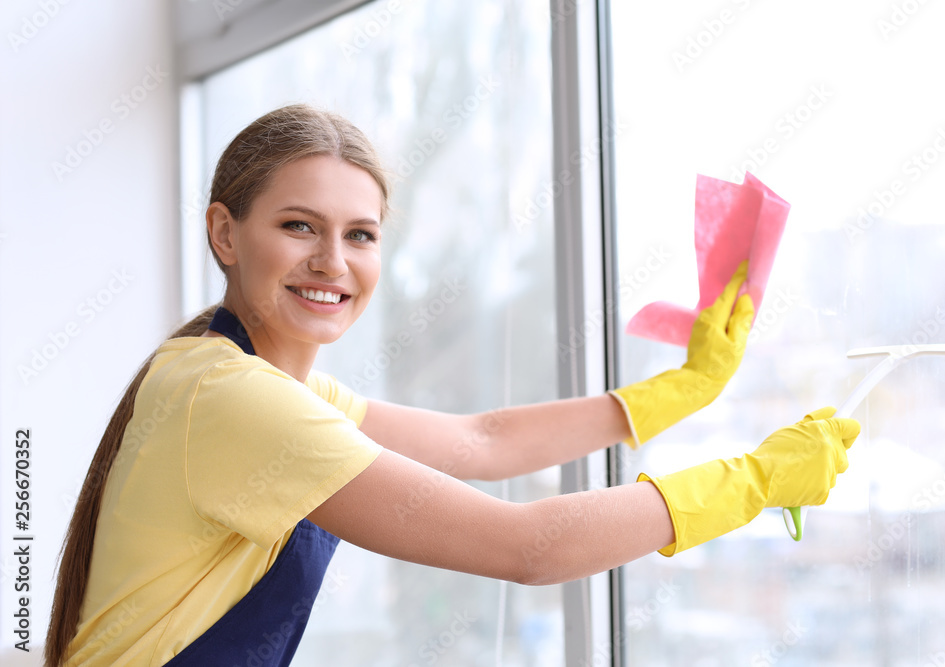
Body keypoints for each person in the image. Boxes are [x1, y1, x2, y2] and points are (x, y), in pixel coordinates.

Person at [45, 104, 859, 666]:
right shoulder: (233, 399)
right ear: (226, 232)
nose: (333, 261)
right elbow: (529, 547)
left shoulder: (252, 382)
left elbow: (483, 441)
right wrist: (752, 482)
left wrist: (684, 387)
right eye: (299, 226)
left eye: (360, 235)